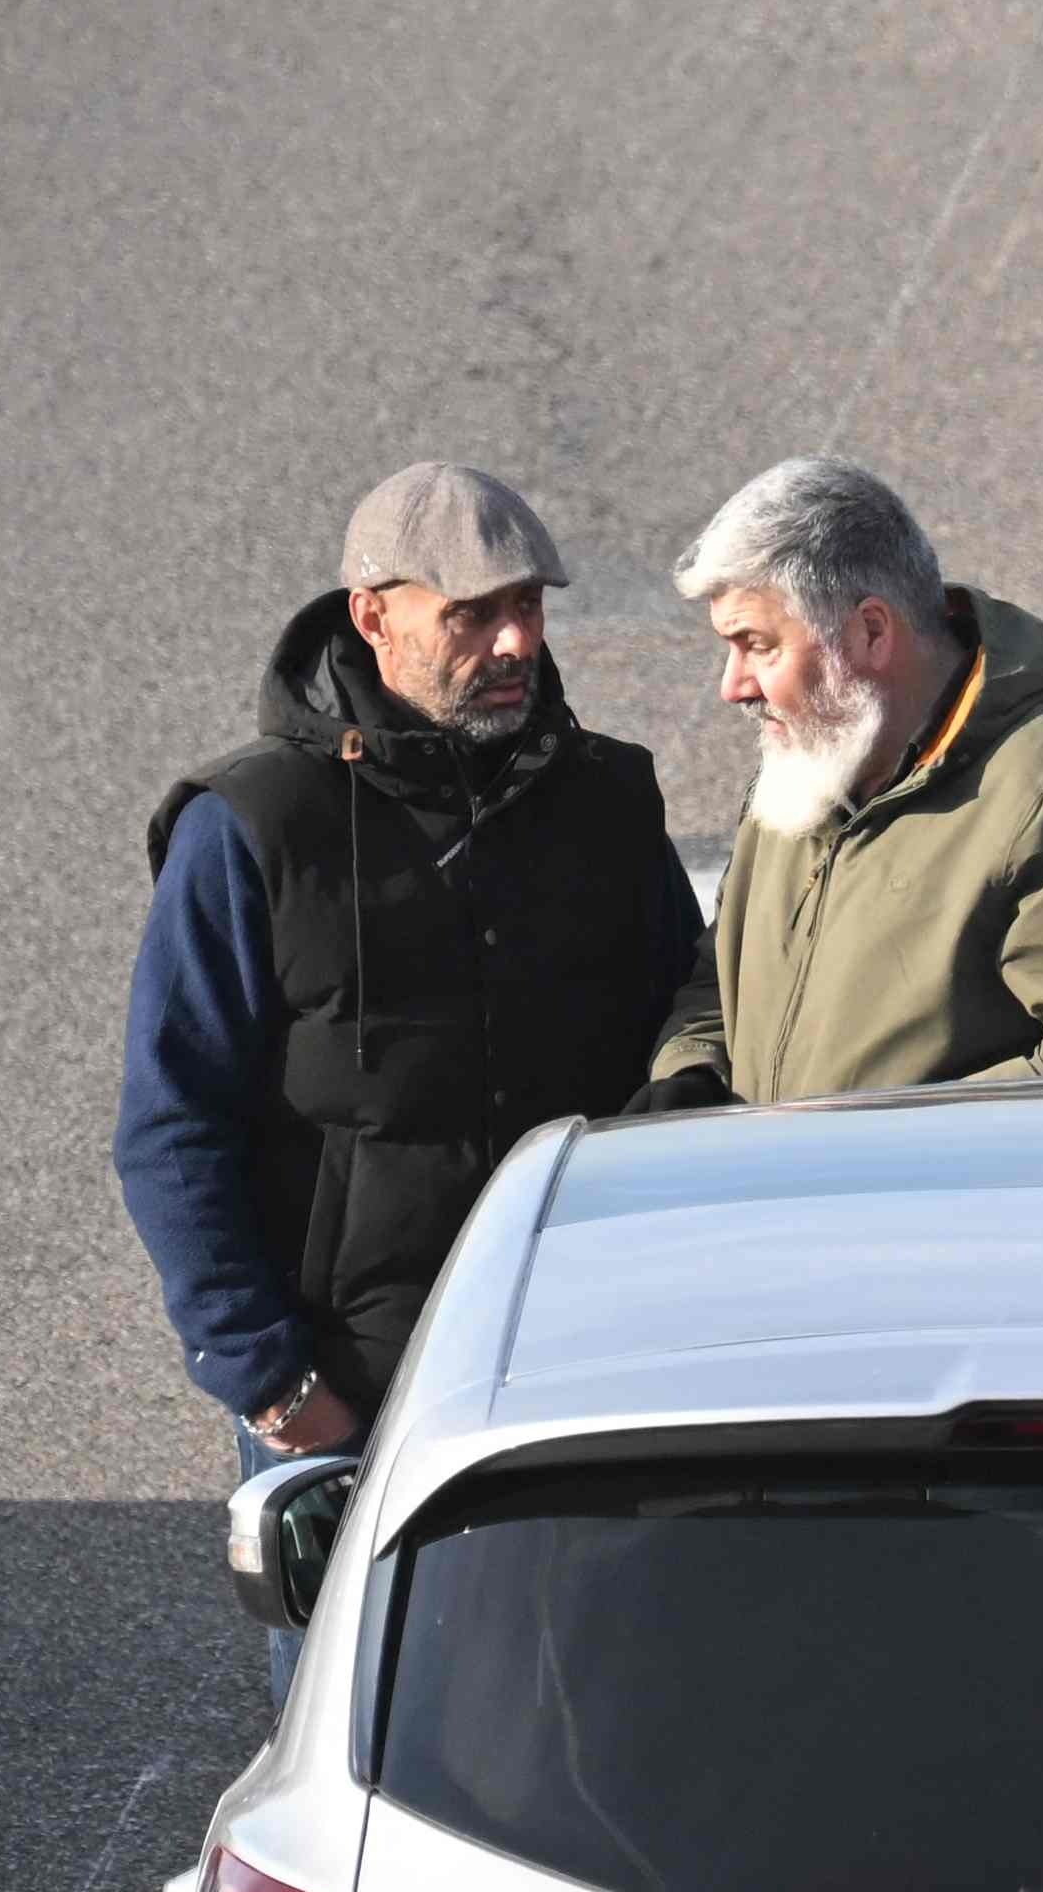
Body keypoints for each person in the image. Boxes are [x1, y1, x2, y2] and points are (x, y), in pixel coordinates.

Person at [123, 464, 698, 1519]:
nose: (517, 642)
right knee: (365, 1689)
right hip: (350, 1398)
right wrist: (278, 1387)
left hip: (583, 1371)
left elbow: (692, 1024)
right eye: (471, 615)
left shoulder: (609, 799)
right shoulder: (253, 825)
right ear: (373, 617)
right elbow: (172, 1123)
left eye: (527, 606)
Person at [643, 462, 1043, 1105]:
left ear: (870, 632)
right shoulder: (813, 764)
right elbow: (727, 978)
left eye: (758, 645)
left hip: (925, 1203)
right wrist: (692, 1072)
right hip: (781, 1195)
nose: (733, 686)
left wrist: (860, 1149)